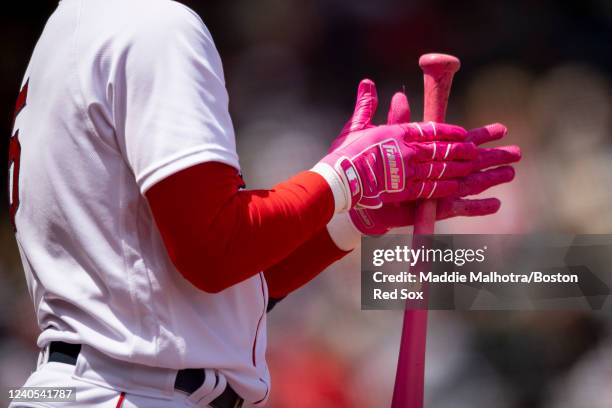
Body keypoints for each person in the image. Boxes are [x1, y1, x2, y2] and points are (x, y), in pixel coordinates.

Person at [8, 0, 520, 407]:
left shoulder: (65, 32)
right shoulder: (154, 24)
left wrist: (344, 218)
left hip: (100, 384)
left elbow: (202, 290)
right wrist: (340, 180)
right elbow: (215, 253)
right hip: (131, 390)